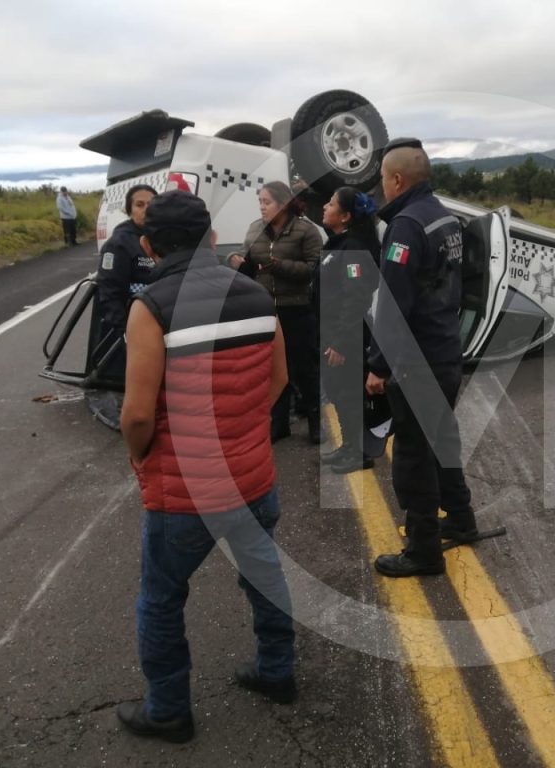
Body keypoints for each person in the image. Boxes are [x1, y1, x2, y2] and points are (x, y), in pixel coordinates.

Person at [117, 190, 297, 743]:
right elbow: (279, 381)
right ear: (212, 239)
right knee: (263, 573)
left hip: (186, 491)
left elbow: (138, 415)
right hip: (251, 477)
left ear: (149, 246)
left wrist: (140, 457)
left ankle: (169, 708)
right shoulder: (257, 295)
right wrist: (239, 429)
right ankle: (276, 671)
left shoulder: (151, 307)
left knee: (162, 597)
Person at [365, 138, 479, 577]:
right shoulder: (445, 217)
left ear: (396, 180)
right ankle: (462, 518)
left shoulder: (407, 226)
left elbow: (394, 304)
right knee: (441, 440)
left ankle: (424, 551)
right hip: (446, 349)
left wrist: (377, 366)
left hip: (419, 360)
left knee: (413, 456)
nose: (382, 189)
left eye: (382, 181)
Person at [229, 181, 323, 444]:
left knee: (304, 368)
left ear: (283, 203)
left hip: (297, 309)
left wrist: (278, 266)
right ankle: (279, 423)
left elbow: (315, 268)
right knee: (272, 368)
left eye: (266, 202)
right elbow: (244, 254)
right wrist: (234, 259)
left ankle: (316, 422)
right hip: (265, 310)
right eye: (260, 202)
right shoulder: (254, 229)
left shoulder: (306, 230)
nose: (262, 207)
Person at [318, 186, 381, 474]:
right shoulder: (339, 243)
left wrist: (342, 343)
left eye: (330, 203)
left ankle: (358, 453)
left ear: (344, 216)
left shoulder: (353, 249)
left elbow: (355, 297)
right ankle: (348, 447)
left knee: (348, 394)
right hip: (332, 331)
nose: (324, 207)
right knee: (339, 392)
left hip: (347, 336)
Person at [92, 184, 157, 382]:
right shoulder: (118, 243)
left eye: (151, 204)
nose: (146, 209)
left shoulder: (161, 237)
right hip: (132, 323)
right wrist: (125, 332)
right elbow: (109, 293)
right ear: (129, 210)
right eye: (139, 204)